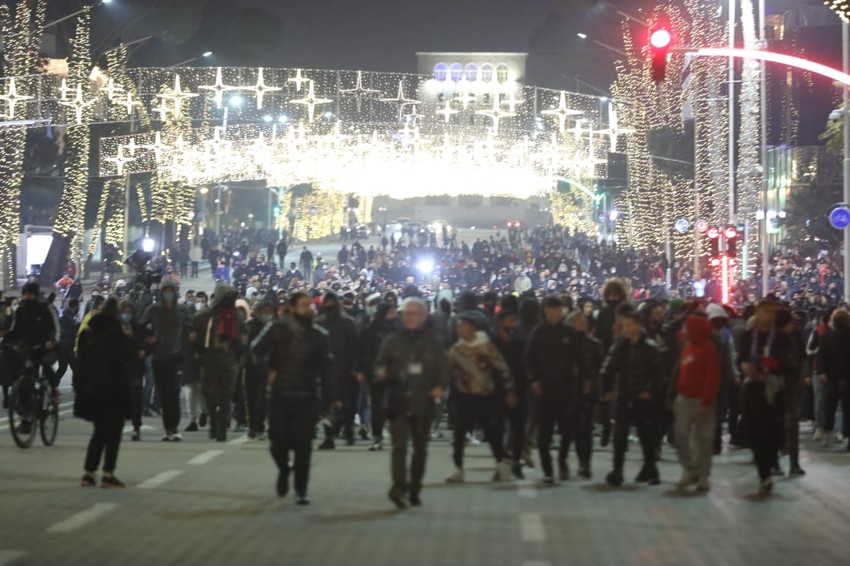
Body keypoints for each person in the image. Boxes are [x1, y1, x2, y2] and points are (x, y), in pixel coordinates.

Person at [252, 292, 340, 505]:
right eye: (303, 305)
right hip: (280, 397)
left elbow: (327, 369)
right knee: (278, 444)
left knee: (303, 446)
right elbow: (255, 349)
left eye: (310, 305)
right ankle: (284, 469)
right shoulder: (276, 329)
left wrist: (333, 397)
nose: (308, 309)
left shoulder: (319, 335)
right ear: (292, 308)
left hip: (307, 398)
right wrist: (267, 371)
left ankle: (301, 490)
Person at [375, 296, 449, 509]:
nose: (410, 318)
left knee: (420, 448)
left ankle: (415, 487)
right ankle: (398, 488)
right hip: (398, 401)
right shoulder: (392, 340)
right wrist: (381, 373)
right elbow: (379, 363)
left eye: (415, 314)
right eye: (406, 314)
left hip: (423, 401)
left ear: (424, 316)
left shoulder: (434, 341)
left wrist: (440, 387)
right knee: (399, 448)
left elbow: (444, 368)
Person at [445, 311, 516, 484]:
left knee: (492, 433)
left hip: (485, 396)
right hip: (464, 397)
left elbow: (503, 368)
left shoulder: (487, 347)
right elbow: (447, 371)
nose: (459, 329)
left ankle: (501, 465)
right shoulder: (456, 350)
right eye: (458, 326)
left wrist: (510, 389)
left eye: (463, 326)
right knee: (459, 434)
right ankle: (458, 468)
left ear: (472, 328)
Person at [600, 310, 664, 487]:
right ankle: (618, 470)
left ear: (638, 325)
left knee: (646, 436)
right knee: (619, 437)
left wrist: (650, 391)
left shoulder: (649, 347)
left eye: (629, 325)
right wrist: (606, 389)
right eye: (625, 325)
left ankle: (651, 469)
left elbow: (658, 375)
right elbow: (608, 368)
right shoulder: (620, 346)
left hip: (642, 398)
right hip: (623, 396)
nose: (626, 329)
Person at [75, 297, 134, 488]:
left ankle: (88, 473)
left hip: (93, 390)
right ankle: (108, 473)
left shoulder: (89, 331)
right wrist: (129, 337)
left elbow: (81, 358)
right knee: (114, 433)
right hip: (114, 390)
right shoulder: (117, 332)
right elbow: (126, 356)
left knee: (99, 431)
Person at [739, 295, 793, 495]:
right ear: (757, 313)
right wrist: (745, 367)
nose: (768, 316)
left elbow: (790, 362)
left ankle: (770, 462)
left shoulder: (781, 338)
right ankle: (764, 474)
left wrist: (775, 365)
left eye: (772, 312)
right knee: (755, 432)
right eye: (764, 311)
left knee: (774, 432)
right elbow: (740, 358)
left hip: (774, 388)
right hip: (753, 387)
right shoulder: (748, 337)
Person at [525, 295, 580, 483]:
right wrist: (534, 380)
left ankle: (562, 460)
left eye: (558, 310)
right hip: (545, 389)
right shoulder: (538, 333)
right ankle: (548, 469)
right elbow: (529, 359)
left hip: (565, 389)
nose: (556, 313)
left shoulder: (568, 333)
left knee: (567, 431)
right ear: (545, 311)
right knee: (545, 434)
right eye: (552, 310)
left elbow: (577, 358)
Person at [139, 279, 193, 442]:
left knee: (174, 392)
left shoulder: (182, 310)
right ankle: (167, 428)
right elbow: (140, 325)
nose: (169, 293)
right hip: (158, 357)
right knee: (163, 393)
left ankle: (173, 427)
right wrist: (148, 338)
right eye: (166, 290)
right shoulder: (154, 309)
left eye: (171, 290)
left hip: (176, 356)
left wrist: (189, 340)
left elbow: (190, 328)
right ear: (161, 292)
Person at [673, 313, 721, 492]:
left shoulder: (708, 348)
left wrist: (706, 401)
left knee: (704, 439)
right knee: (680, 434)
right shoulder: (686, 345)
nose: (684, 329)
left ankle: (703, 474)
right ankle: (689, 468)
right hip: (684, 397)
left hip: (702, 400)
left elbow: (712, 376)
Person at [194, 283, 246, 442]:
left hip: (229, 361)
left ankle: (222, 427)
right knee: (209, 394)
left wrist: (240, 351)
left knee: (226, 396)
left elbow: (242, 337)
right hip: (209, 361)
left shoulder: (236, 317)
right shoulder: (205, 316)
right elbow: (195, 334)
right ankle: (213, 419)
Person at [315, 292, 358, 448]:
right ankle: (331, 436)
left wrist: (354, 367)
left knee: (345, 403)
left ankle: (347, 429)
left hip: (344, 368)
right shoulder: (320, 322)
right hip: (327, 369)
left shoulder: (347, 322)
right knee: (327, 403)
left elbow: (354, 346)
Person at [493, 309, 531, 479]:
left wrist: (515, 390)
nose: (514, 325)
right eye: (510, 320)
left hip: (518, 392)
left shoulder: (521, 342)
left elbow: (524, 368)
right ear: (500, 322)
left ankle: (516, 462)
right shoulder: (493, 343)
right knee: (497, 430)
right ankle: (501, 464)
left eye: (516, 321)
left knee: (518, 429)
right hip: (496, 392)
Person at [565, 310, 603, 479]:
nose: (582, 322)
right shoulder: (565, 343)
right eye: (577, 320)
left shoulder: (594, 344)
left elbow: (601, 368)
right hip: (569, 391)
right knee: (574, 428)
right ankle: (579, 459)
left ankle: (585, 462)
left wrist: (595, 384)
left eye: (583, 320)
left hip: (588, 390)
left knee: (586, 428)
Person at [358, 301, 398, 451]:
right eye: (391, 313)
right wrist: (363, 370)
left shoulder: (397, 330)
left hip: (394, 373)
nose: (394, 315)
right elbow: (363, 351)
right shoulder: (370, 329)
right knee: (376, 405)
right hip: (375, 373)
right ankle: (377, 435)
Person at [119, 301, 151, 442]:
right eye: (124, 312)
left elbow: (152, 340)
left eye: (129, 312)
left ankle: (136, 427)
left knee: (136, 399)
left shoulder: (139, 327)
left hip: (135, 368)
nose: (126, 315)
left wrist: (145, 351)